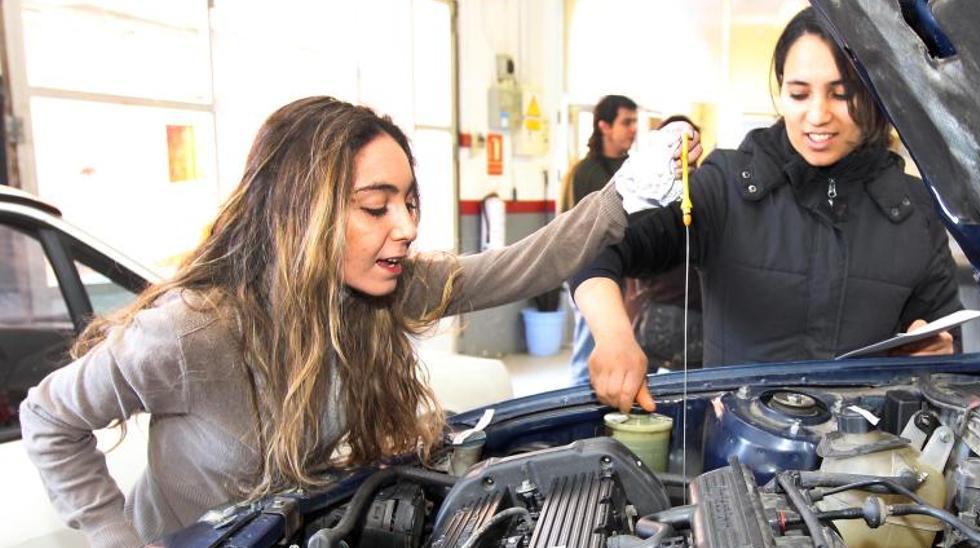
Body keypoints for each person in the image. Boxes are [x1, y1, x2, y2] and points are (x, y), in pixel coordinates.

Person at [19, 96, 698, 546]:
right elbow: (48, 419)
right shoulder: (190, 332)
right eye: (376, 208)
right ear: (301, 212)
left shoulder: (380, 290)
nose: (405, 227)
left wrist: (624, 193)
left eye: (408, 201)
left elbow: (518, 266)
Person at [571, 7, 962, 413]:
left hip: (866, 459)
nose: (817, 114)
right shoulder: (725, 188)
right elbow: (596, 247)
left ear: (877, 91)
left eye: (842, 93)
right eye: (798, 94)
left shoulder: (915, 210)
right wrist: (614, 336)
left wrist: (934, 348)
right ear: (781, 91)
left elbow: (942, 328)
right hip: (736, 457)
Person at [562, 95, 639, 385]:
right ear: (604, 126)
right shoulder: (585, 172)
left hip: (625, 271)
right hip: (589, 272)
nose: (633, 129)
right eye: (626, 122)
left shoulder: (632, 169)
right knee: (587, 355)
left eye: (635, 122)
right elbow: (583, 229)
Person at [625, 115, 705, 373]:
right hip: (697, 315)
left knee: (642, 398)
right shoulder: (710, 192)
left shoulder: (646, 195)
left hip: (659, 313)